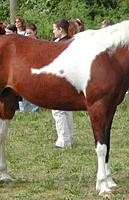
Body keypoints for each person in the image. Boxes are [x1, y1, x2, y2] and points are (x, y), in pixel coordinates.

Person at [51, 19, 74, 148]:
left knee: (58, 110)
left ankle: (63, 140)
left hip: (60, 79)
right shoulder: (72, 42)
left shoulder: (60, 44)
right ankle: (69, 137)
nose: (53, 31)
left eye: (54, 29)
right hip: (70, 79)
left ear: (60, 29)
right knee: (66, 109)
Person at [19, 23, 40, 113]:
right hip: (26, 68)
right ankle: (24, 108)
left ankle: (34, 108)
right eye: (27, 33)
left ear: (35, 32)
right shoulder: (24, 44)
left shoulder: (39, 43)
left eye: (30, 33)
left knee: (34, 89)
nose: (28, 35)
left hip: (36, 68)